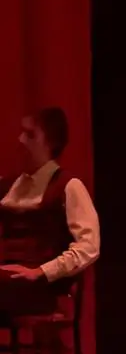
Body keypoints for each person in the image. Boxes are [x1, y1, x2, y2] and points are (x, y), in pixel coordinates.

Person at [2, 107, 100, 318]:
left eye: (30, 135)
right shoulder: (10, 186)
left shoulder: (68, 186)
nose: (20, 140)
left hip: (41, 287)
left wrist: (42, 272)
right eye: (22, 132)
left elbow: (89, 246)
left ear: (50, 143)